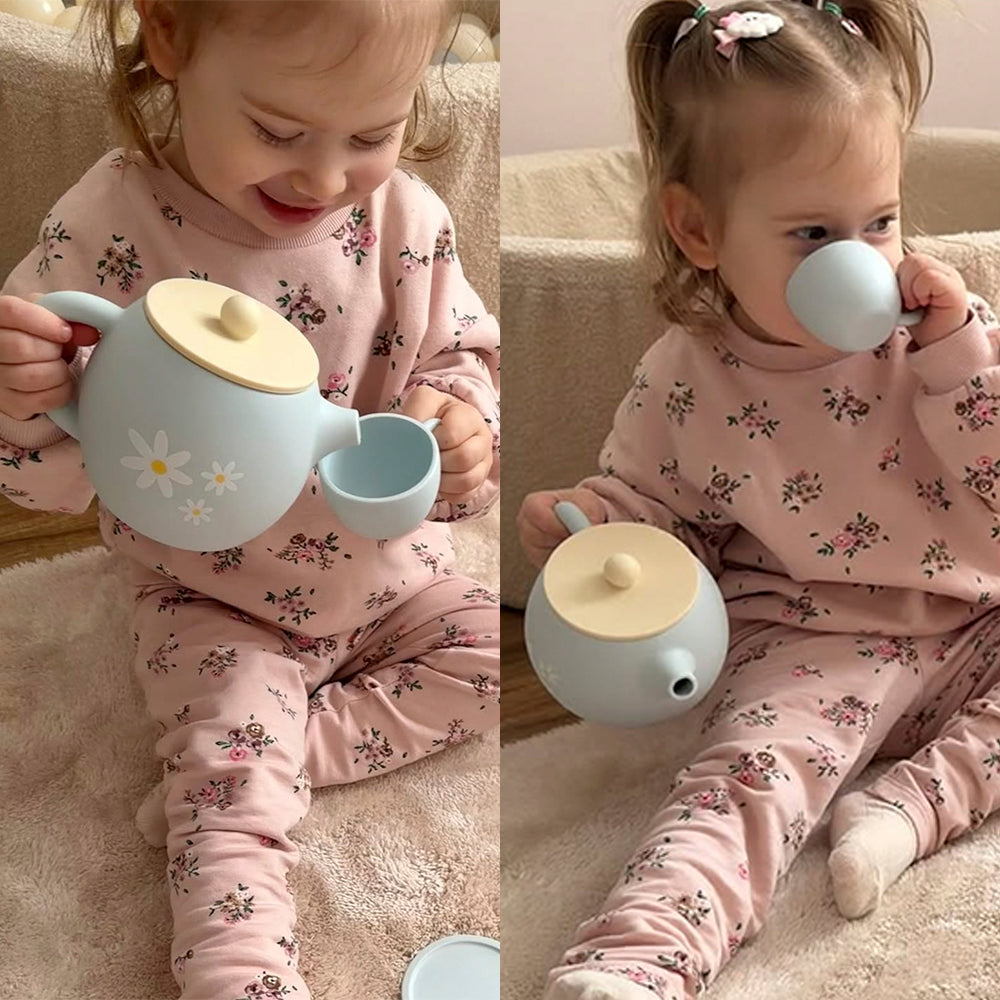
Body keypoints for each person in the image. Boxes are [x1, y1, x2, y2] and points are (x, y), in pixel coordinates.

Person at [0, 2, 499, 998]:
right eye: (278, 130)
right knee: (231, 823)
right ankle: (238, 965)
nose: (323, 178)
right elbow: (47, 479)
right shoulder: (106, 235)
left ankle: (264, 758)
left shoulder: (407, 221)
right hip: (212, 596)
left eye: (371, 134)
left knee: (492, 658)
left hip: (387, 574)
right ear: (173, 37)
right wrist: (25, 408)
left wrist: (463, 429)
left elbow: (460, 358)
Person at [517, 2, 1000, 998]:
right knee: (742, 781)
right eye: (813, 233)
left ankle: (907, 810)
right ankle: (634, 959)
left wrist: (961, 368)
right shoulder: (691, 377)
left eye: (879, 222)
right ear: (697, 228)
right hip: (812, 640)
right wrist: (592, 529)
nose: (861, 260)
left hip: (975, 620)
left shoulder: (944, 335)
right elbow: (655, 516)